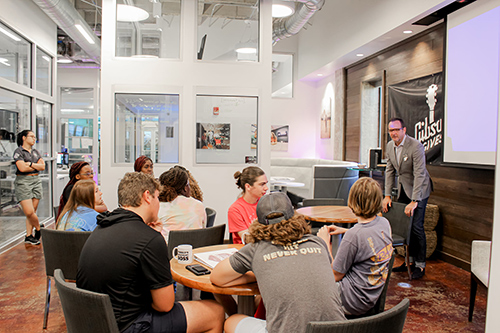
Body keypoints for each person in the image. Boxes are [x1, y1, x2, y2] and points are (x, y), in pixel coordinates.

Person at [76, 172, 224, 333]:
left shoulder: (102, 227)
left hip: (94, 322)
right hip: (127, 326)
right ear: (147, 196)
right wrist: (154, 239)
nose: (159, 204)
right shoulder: (149, 239)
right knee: (215, 311)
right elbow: (165, 305)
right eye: (157, 197)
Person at [212, 192, 346, 333]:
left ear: (258, 222)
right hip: (340, 329)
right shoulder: (316, 242)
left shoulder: (255, 249)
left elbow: (217, 277)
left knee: (232, 321)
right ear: (294, 216)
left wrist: (256, 274)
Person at [318, 177, 393, 316]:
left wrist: (324, 242)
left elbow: (334, 275)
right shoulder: (384, 223)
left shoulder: (354, 236)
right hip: (371, 296)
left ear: (352, 201)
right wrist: (346, 231)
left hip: (350, 301)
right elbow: (370, 239)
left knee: (310, 281)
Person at [382, 117, 432, 280]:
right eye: (391, 130)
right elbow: (389, 171)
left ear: (404, 130)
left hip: (419, 189)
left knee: (416, 226)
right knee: (405, 227)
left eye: (396, 129)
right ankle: (408, 262)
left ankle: (420, 265)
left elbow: (420, 174)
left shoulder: (415, 146)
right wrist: (387, 195)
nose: (394, 133)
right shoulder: (390, 146)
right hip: (403, 188)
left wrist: (415, 201)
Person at [13, 130, 45, 245]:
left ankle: (28, 236)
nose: (34, 139)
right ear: (24, 138)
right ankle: (39, 228)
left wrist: (30, 164)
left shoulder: (35, 152)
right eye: (31, 136)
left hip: (36, 180)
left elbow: (42, 166)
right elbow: (22, 168)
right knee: (29, 212)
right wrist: (35, 166)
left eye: (34, 137)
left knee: (33, 211)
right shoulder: (19, 151)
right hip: (23, 181)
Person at [158, 167, 206, 241]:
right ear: (185, 188)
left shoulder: (158, 207)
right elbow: (203, 228)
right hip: (195, 249)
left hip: (168, 250)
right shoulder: (198, 205)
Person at [228, 166, 268, 244]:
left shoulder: (266, 203)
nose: (266, 188)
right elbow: (247, 239)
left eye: (266, 184)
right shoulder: (235, 209)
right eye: (262, 184)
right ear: (248, 186)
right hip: (247, 251)